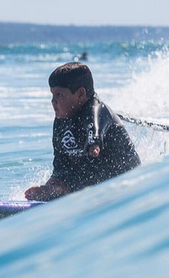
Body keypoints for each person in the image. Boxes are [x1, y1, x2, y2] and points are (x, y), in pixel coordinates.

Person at [24, 62, 141, 201]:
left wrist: (94, 143)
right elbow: (60, 159)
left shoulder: (98, 110)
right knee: (62, 169)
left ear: (80, 94)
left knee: (87, 168)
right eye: (52, 94)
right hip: (90, 181)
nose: (53, 101)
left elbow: (94, 126)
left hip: (122, 178)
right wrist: (57, 178)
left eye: (59, 94)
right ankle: (57, 187)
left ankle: (61, 189)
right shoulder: (61, 119)